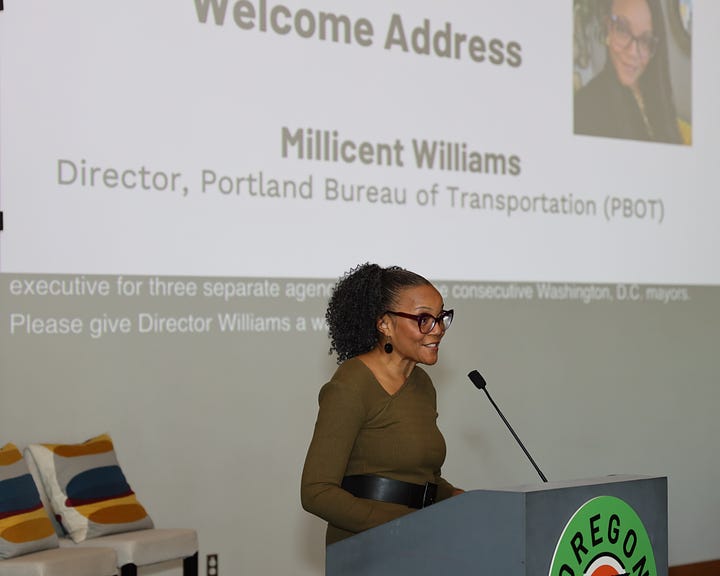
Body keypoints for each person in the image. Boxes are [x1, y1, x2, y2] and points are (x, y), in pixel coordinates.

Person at [301, 263, 462, 545]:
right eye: (424, 318)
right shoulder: (352, 383)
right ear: (385, 323)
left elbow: (423, 477)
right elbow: (317, 492)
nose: (437, 330)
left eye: (441, 317)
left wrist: (460, 499)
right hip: (367, 548)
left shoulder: (422, 385)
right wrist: (401, 525)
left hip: (421, 544)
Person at [574, 0, 683, 144]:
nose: (632, 52)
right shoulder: (583, 107)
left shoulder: (659, 94)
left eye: (645, 40)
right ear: (608, 28)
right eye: (622, 29)